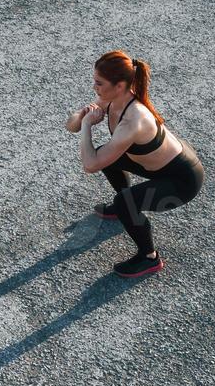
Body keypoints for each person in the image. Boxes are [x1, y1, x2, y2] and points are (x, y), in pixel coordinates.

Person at [65, 51, 205, 278]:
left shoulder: (134, 120)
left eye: (99, 83)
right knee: (107, 157)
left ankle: (149, 257)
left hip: (183, 180)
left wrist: (88, 126)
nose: (94, 87)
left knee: (123, 201)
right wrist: (82, 114)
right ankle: (126, 210)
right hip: (160, 165)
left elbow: (89, 165)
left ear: (119, 86)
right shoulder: (112, 99)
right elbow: (70, 126)